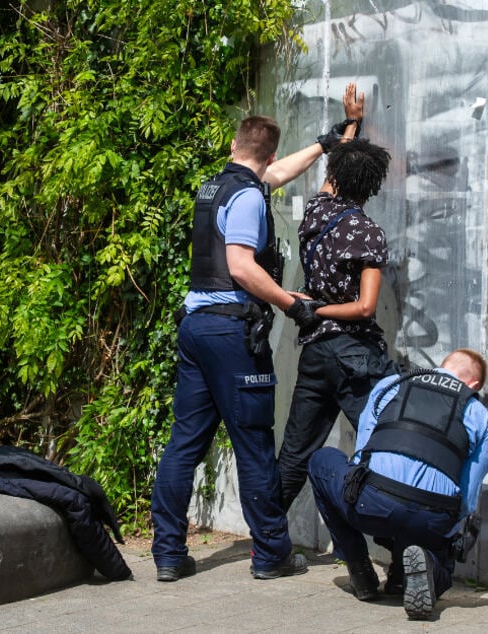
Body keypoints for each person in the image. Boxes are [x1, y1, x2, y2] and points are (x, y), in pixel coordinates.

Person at [150, 91, 363, 583]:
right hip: (231, 334)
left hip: (197, 328)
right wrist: (294, 306)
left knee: (185, 443)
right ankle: (271, 553)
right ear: (264, 154)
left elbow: (277, 173)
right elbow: (243, 267)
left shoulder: (217, 187)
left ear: (233, 145)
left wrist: (326, 143)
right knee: (254, 444)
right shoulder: (248, 197)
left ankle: (167, 553)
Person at [277, 84, 400, 511]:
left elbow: (334, 173)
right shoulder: (368, 233)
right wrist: (318, 308)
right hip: (354, 353)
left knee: (295, 449)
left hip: (316, 353)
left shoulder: (317, 212)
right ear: (372, 185)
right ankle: (395, 533)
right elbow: (365, 308)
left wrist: (351, 124)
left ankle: (266, 544)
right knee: (382, 441)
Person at [307, 349, 488, 620]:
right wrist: (447, 536)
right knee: (431, 545)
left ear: (443, 366)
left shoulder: (391, 384)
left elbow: (362, 456)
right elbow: (468, 492)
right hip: (431, 517)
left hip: (373, 505)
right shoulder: (477, 412)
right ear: (474, 385)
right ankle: (427, 567)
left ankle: (361, 572)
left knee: (322, 460)